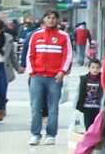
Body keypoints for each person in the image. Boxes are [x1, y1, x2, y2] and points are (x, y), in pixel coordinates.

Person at [27, 10, 72, 146]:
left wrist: (62, 71)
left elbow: (68, 55)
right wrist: (31, 71)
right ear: (44, 19)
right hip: (37, 77)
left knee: (53, 107)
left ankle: (51, 134)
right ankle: (35, 134)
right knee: (36, 107)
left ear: (57, 20)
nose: (51, 20)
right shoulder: (36, 35)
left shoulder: (64, 36)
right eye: (48, 17)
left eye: (54, 18)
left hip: (54, 78)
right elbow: (30, 54)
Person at [75, 59, 105, 131]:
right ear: (89, 68)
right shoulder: (84, 79)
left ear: (100, 68)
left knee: (97, 127)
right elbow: (78, 93)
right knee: (88, 127)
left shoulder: (102, 79)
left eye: (97, 68)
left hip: (98, 107)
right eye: (93, 67)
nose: (95, 70)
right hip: (86, 107)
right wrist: (77, 106)